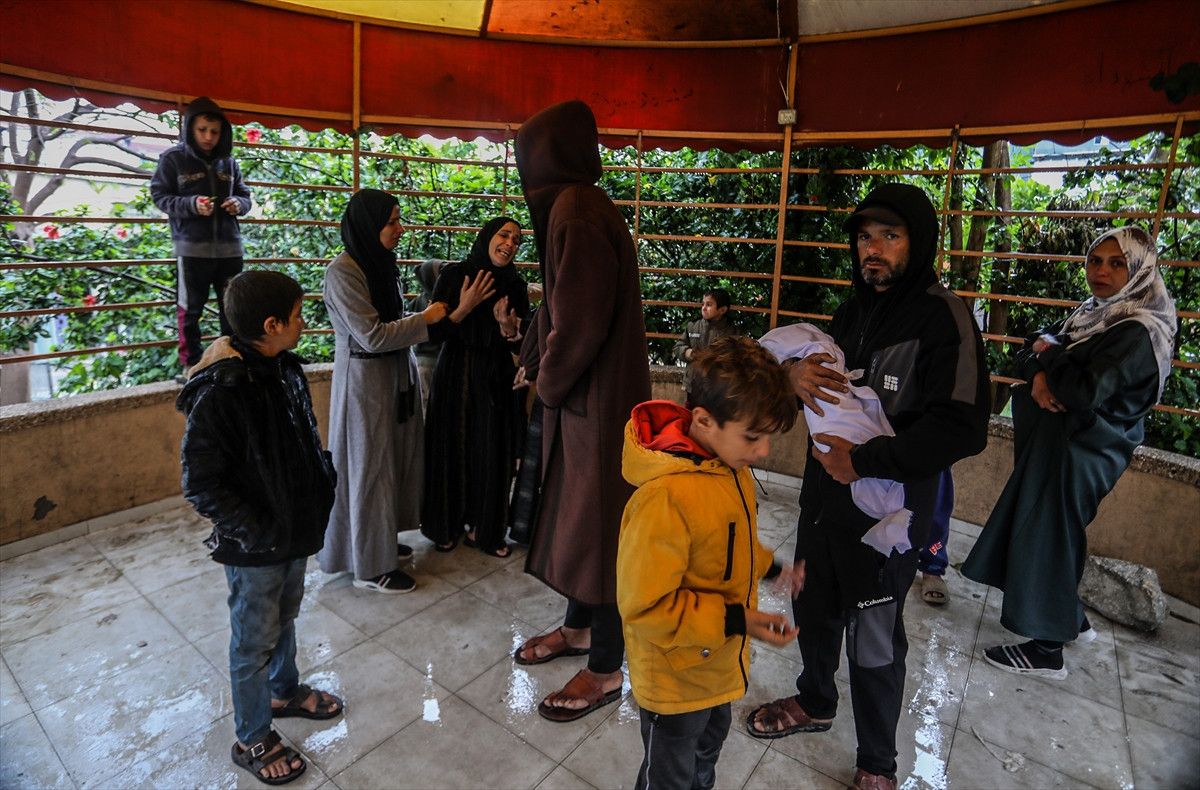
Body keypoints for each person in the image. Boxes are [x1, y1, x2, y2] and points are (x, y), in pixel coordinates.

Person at [744, 183, 990, 790]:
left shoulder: (945, 318)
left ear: (919, 242)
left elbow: (963, 426)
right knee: (813, 606)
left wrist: (866, 461)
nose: (872, 249)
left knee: (874, 635)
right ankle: (815, 701)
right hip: (822, 502)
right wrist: (789, 375)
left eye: (889, 235)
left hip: (887, 518)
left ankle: (877, 764)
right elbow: (818, 387)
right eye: (864, 237)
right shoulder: (849, 313)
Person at [963, 225, 1176, 679]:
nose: (1101, 271)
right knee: (1059, 531)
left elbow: (1082, 391)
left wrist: (1048, 356)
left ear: (1139, 270)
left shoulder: (1139, 331)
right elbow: (1029, 347)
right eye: (1095, 261)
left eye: (1117, 263)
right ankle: (1072, 619)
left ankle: (1046, 649)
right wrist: (1041, 372)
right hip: (1063, 445)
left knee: (1050, 534)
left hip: (1087, 449)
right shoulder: (1095, 314)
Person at [509, 100, 651, 722]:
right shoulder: (575, 208)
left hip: (596, 406)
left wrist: (546, 384)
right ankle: (578, 628)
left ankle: (607, 667)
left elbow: (580, 325)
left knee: (599, 530)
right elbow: (557, 309)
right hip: (587, 403)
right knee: (578, 522)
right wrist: (533, 359)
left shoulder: (578, 213)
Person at [177, 270, 341, 786]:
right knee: (252, 642)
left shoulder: (284, 368)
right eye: (297, 316)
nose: (303, 323)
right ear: (271, 325)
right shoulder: (221, 390)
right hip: (257, 546)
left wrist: (321, 483)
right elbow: (201, 483)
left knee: (283, 618)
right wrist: (258, 533)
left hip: (291, 532)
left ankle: (283, 690)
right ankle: (252, 735)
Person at [618, 335, 800, 790]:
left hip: (715, 664)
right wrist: (738, 619)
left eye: (768, 438)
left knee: (705, 754)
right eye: (753, 437)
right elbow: (645, 606)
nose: (763, 451)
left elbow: (729, 543)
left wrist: (771, 568)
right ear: (703, 420)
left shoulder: (726, 467)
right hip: (675, 678)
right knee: (670, 774)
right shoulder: (665, 497)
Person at [317, 189, 492, 593]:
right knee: (369, 469)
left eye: (399, 219)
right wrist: (425, 318)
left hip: (393, 375)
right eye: (392, 221)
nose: (400, 228)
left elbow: (393, 324)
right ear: (369, 225)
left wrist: (437, 317)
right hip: (366, 383)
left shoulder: (379, 264)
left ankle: (377, 542)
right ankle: (369, 568)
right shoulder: (343, 272)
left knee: (392, 462)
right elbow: (372, 336)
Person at [422, 216, 529, 557]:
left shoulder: (516, 284)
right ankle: (446, 525)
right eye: (504, 235)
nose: (510, 243)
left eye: (516, 240)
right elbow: (432, 334)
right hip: (455, 373)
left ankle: (484, 529)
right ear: (487, 237)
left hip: (496, 377)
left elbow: (522, 345)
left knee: (491, 451)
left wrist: (508, 329)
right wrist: (465, 307)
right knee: (450, 447)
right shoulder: (454, 275)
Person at [151, 96, 252, 377]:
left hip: (230, 250)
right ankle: (191, 367)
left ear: (222, 133)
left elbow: (245, 196)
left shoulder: (229, 163)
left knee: (232, 309)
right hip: (192, 250)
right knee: (190, 310)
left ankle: (232, 360)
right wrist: (191, 205)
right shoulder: (172, 159)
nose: (208, 137)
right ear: (190, 129)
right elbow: (159, 196)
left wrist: (238, 204)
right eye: (202, 130)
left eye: (214, 131)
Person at [672, 288, 735, 393]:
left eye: (709, 305)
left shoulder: (731, 332)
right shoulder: (693, 326)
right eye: (703, 304)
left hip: (718, 386)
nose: (704, 308)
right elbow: (678, 347)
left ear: (722, 310)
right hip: (693, 385)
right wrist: (689, 353)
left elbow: (735, 357)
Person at [411, 258, 449, 414]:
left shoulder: (417, 301)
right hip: (433, 359)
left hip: (421, 359)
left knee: (426, 400)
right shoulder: (441, 305)